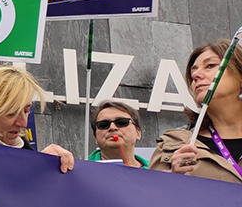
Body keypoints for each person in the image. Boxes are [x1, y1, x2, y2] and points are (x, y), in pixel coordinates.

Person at [150, 40, 242, 183]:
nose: (196, 75)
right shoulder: (172, 145)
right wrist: (173, 179)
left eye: (210, 66)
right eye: (194, 71)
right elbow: (150, 200)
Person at [0, 65, 75, 172]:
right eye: (11, 113)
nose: (23, 123)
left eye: (26, 111)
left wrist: (43, 166)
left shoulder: (21, 155)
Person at [88, 101, 147, 167]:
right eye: (103, 124)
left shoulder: (157, 172)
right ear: (95, 137)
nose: (112, 127)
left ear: (138, 133)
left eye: (121, 122)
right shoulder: (79, 171)